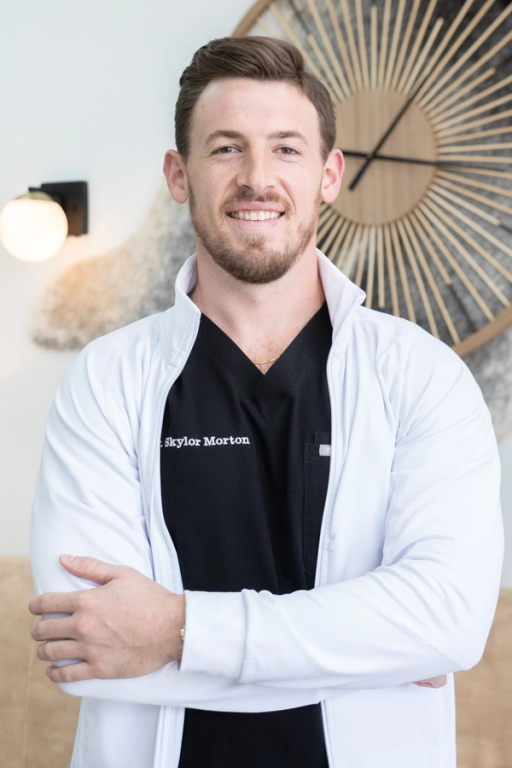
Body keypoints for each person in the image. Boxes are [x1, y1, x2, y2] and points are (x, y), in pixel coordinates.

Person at [29, 36, 503, 768]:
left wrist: (173, 630)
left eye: (286, 149)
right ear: (178, 175)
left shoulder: (420, 377)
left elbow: (447, 622)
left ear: (328, 175)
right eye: (226, 149)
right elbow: (90, 644)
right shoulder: (106, 382)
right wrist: (372, 649)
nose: (257, 178)